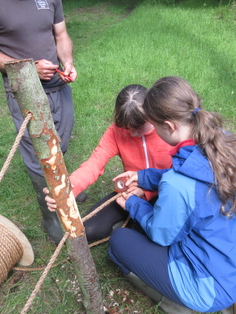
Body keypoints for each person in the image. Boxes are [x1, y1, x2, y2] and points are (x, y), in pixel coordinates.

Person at [108, 77, 236, 314]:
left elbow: (162, 234)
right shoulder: (223, 141)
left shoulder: (179, 186)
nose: (154, 131)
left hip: (207, 288)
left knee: (119, 241)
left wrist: (133, 203)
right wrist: (142, 176)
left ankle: (180, 311)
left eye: (155, 127)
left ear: (168, 125)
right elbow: (190, 173)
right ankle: (232, 298)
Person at [0, 0, 84, 244]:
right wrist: (30, 68)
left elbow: (61, 34)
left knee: (60, 143)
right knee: (36, 155)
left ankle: (63, 191)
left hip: (58, 87)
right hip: (24, 90)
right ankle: (50, 218)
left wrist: (68, 60)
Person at [44, 84, 173, 243]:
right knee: (89, 230)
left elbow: (179, 176)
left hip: (167, 192)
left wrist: (145, 191)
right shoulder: (115, 131)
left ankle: (134, 225)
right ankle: (129, 221)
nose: (133, 133)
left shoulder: (168, 132)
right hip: (129, 193)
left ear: (152, 116)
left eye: (139, 128)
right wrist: (69, 188)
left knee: (162, 236)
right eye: (127, 128)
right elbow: (94, 164)